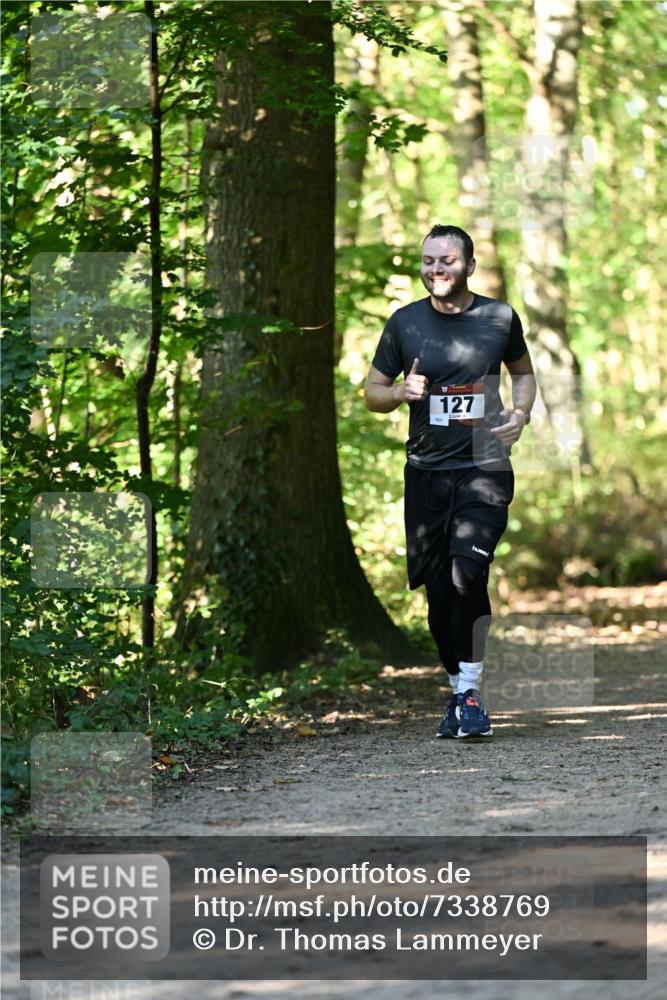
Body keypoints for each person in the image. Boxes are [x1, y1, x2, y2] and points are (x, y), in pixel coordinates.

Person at [364, 224, 536, 739]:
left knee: (467, 574)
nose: (436, 269)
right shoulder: (404, 323)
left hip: (485, 464)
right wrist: (400, 393)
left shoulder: (499, 317)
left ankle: (471, 694)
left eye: (447, 261)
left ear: (470, 266)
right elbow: (372, 392)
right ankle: (459, 689)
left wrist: (521, 413)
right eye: (428, 261)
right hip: (426, 473)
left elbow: (522, 373)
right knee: (439, 594)